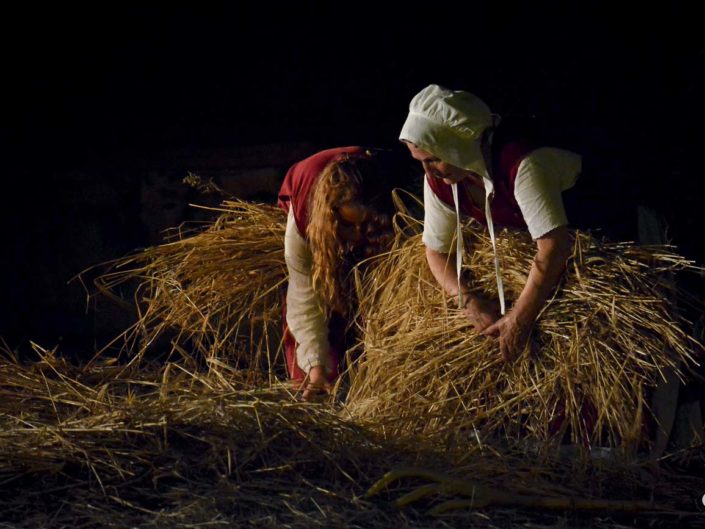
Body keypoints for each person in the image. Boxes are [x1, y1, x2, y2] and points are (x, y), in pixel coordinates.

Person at [399, 84, 582, 361]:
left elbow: (554, 247)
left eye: (434, 159)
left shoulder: (523, 164)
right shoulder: (442, 180)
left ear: (457, 146)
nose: (427, 171)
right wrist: (467, 300)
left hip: (604, 235)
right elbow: (436, 250)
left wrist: (519, 319)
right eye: (421, 161)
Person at [277, 146, 405, 399]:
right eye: (348, 224)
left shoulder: (394, 199)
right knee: (322, 322)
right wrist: (316, 366)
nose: (357, 235)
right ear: (332, 216)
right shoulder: (304, 221)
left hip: (378, 224)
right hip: (308, 199)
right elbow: (303, 295)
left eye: (365, 224)